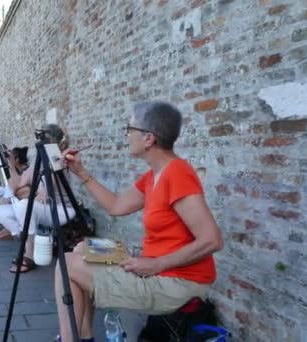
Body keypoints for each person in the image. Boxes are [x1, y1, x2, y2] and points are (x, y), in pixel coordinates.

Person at [53, 101, 224, 342]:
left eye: (130, 128)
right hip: (155, 263)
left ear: (148, 138)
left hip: (177, 280)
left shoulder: (177, 174)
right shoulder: (154, 174)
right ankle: (84, 336)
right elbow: (116, 205)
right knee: (82, 248)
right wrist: (81, 173)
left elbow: (212, 240)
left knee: (66, 264)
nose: (126, 134)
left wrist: (157, 265)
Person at [0, 124, 75, 273]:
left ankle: (29, 253)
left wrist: (28, 192)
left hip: (60, 209)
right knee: (0, 211)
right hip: (42, 208)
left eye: (44, 138)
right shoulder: (36, 164)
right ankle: (30, 238)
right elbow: (15, 188)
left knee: (24, 205)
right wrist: (11, 166)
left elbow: (46, 194)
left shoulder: (59, 159)